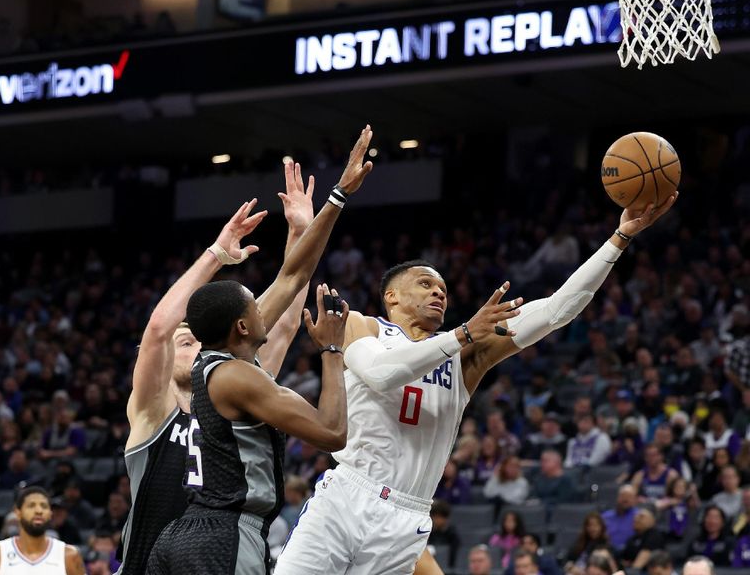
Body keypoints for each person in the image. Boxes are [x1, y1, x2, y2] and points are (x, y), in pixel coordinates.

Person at [276, 191, 678, 575]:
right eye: (426, 284)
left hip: (407, 515)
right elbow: (383, 374)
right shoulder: (364, 326)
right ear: (392, 296)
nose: (439, 293)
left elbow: (558, 309)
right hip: (349, 493)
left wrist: (619, 238)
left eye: (444, 290)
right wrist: (463, 334)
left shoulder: (466, 351)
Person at [146, 126, 375, 574]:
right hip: (225, 535)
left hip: (186, 533)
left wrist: (337, 198)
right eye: (255, 303)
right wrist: (331, 349)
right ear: (243, 324)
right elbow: (332, 433)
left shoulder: (220, 360)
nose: (263, 304)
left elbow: (291, 278)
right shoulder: (236, 377)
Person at [117, 164, 314, 574]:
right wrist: (217, 256)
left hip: (223, 555)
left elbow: (286, 321)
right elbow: (157, 329)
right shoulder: (153, 410)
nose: (200, 348)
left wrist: (300, 233)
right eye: (186, 342)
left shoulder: (237, 387)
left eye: (202, 340)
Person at [0, 486, 84, 574]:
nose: (38, 511)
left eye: (44, 506)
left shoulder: (69, 556)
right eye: (31, 505)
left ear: (50, 514)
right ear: (18, 512)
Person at [655, 476, 699, 540]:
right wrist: (671, 502)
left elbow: (697, 506)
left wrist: (693, 492)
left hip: (685, 533)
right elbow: (658, 505)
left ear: (686, 489)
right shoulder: (667, 500)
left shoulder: (688, 502)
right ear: (672, 487)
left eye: (682, 486)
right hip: (668, 533)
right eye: (677, 486)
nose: (679, 488)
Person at [427, 500, 460, 569]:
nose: (437, 520)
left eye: (440, 517)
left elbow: (454, 556)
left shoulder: (452, 534)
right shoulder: (428, 533)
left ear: (446, 518)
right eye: (435, 517)